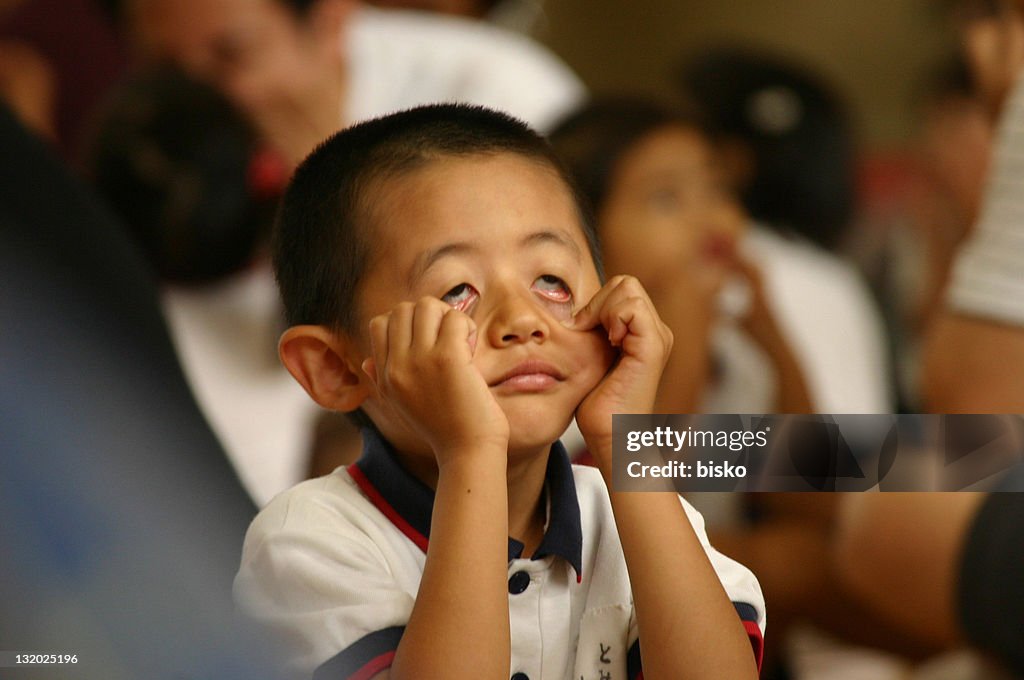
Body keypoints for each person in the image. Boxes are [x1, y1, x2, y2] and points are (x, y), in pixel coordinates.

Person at [233, 104, 765, 680]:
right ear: (336, 368)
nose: (522, 317)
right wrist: (472, 450)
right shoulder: (311, 542)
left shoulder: (648, 494)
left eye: (551, 281)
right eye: (459, 290)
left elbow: (854, 468)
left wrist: (627, 438)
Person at [125, 0, 585, 167]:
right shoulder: (152, 132)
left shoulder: (502, 94)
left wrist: (329, 184)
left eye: (232, 54)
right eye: (167, 68)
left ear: (330, 17)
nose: (194, 94)